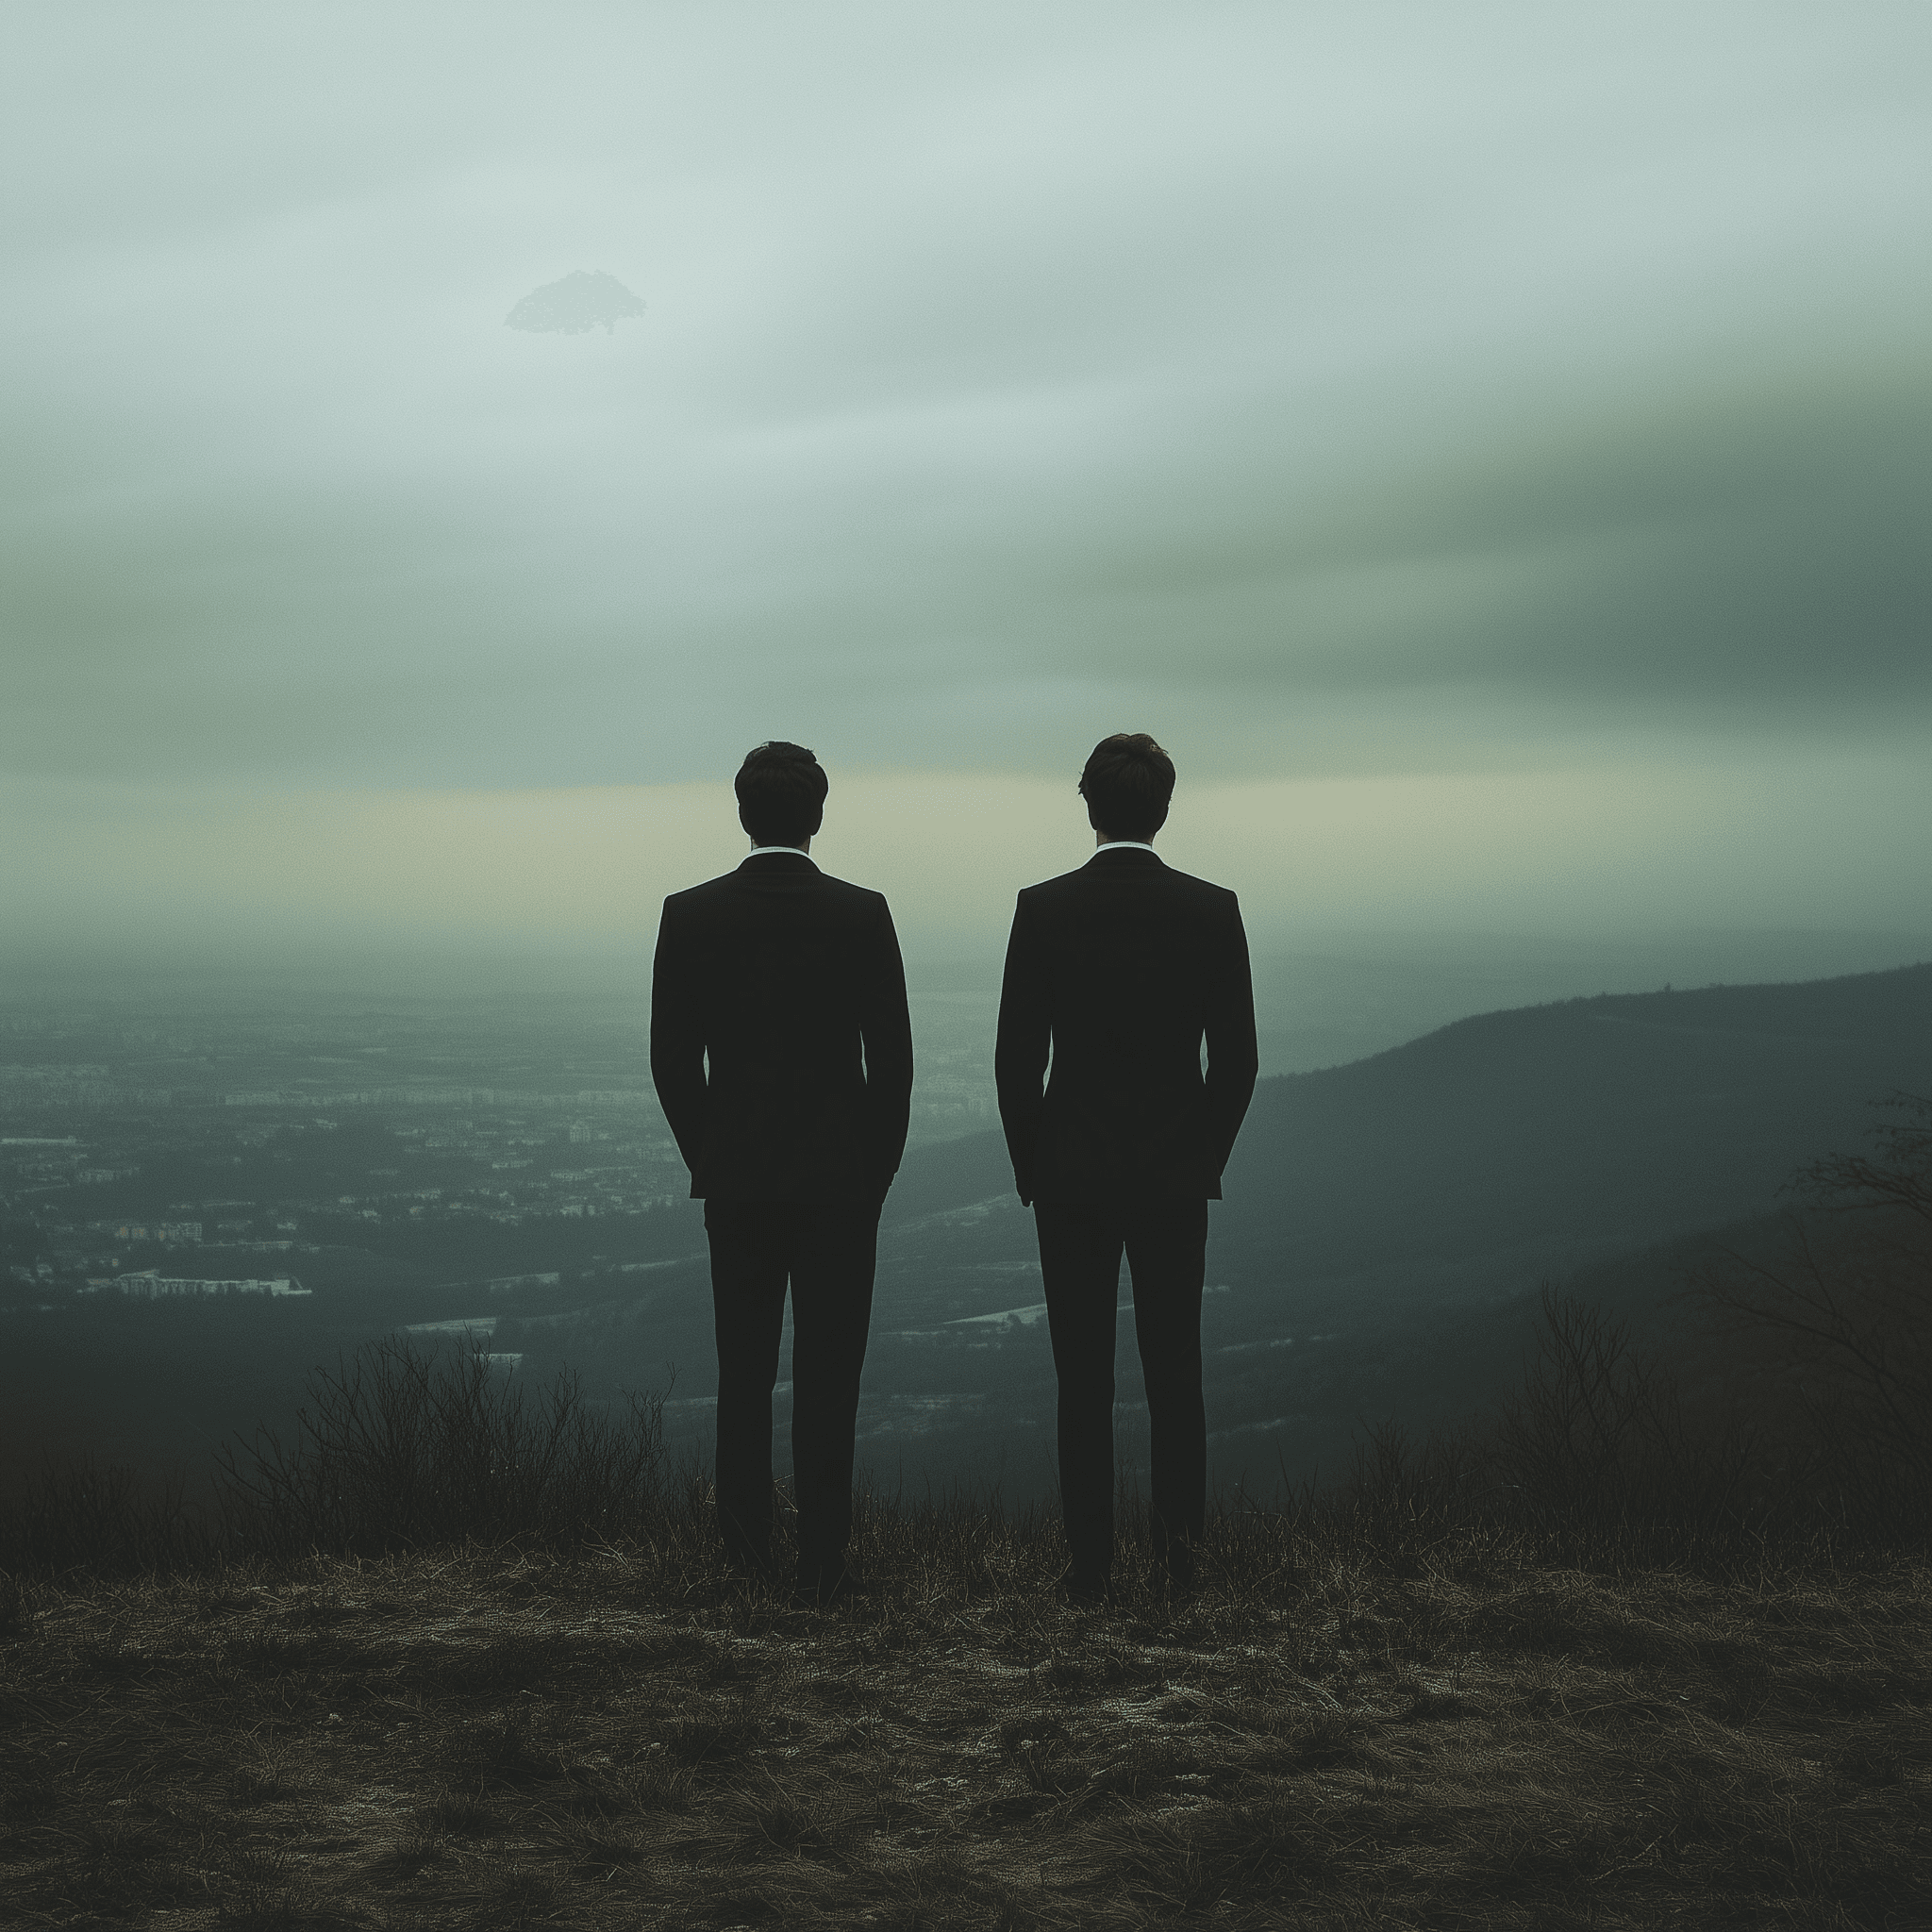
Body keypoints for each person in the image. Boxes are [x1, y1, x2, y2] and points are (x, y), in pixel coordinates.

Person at [994, 733, 1257, 1602]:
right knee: (1177, 1372)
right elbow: (1238, 1064)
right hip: (1175, 1179)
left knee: (1083, 1380)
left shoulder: (1043, 908)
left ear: (1089, 804)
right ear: (1165, 806)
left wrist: (1035, 1166)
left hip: (1069, 1177)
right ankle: (1181, 1565)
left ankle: (1090, 1570)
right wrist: (1200, 1156)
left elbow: (1015, 1063)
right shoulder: (1212, 910)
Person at [650, 742, 913, 1603]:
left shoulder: (690, 915)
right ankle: (824, 1568)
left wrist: (710, 1153)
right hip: (840, 1183)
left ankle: (742, 1560)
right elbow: (894, 1066)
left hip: (738, 1181)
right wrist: (871, 1173)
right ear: (818, 814)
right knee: (831, 1379)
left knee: (744, 1375)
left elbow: (670, 1061)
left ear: (741, 812)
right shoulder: (862, 913)